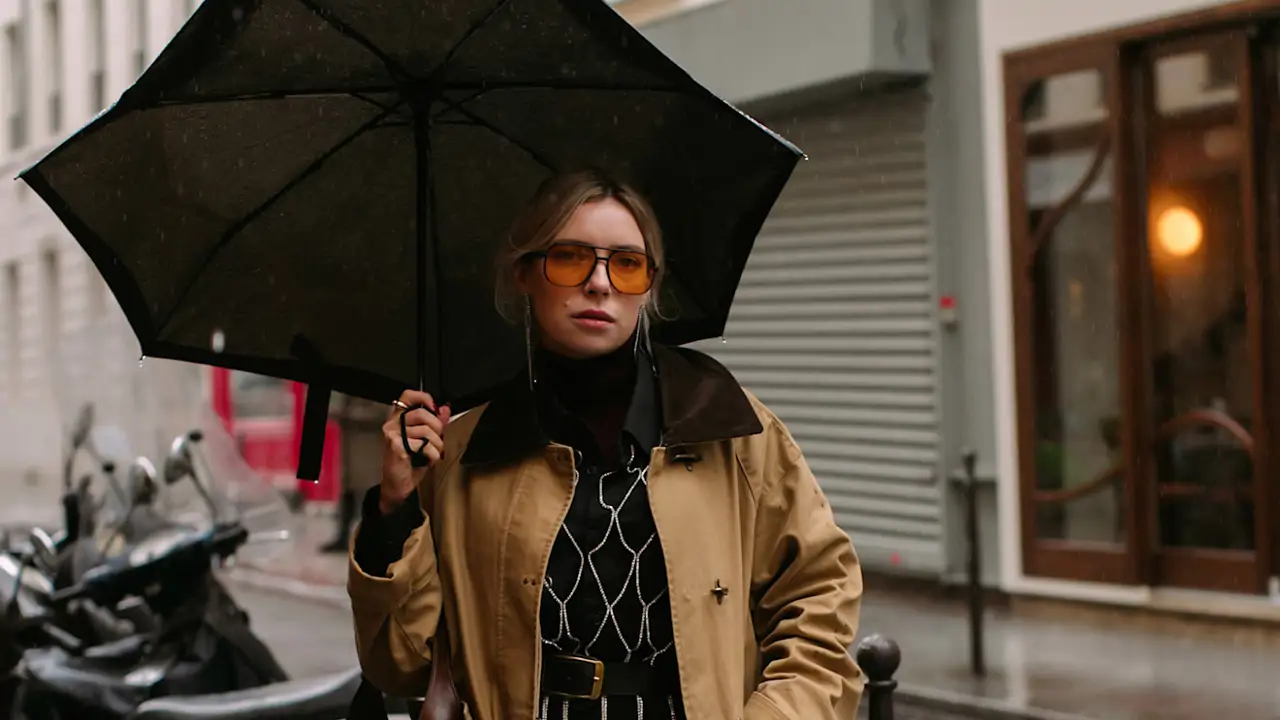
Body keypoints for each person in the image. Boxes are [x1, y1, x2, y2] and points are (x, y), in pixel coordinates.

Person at [347, 170, 864, 720]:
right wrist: (395, 510)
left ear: (650, 285)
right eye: (570, 258)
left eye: (626, 263)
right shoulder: (464, 454)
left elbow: (818, 603)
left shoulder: (731, 431)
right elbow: (398, 663)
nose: (600, 283)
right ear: (525, 273)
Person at [320, 393, 386, 553]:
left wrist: (351, 414)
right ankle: (343, 535)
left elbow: (381, 413)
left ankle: (373, 538)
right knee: (348, 491)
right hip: (351, 443)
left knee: (369, 492)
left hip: (369, 445)